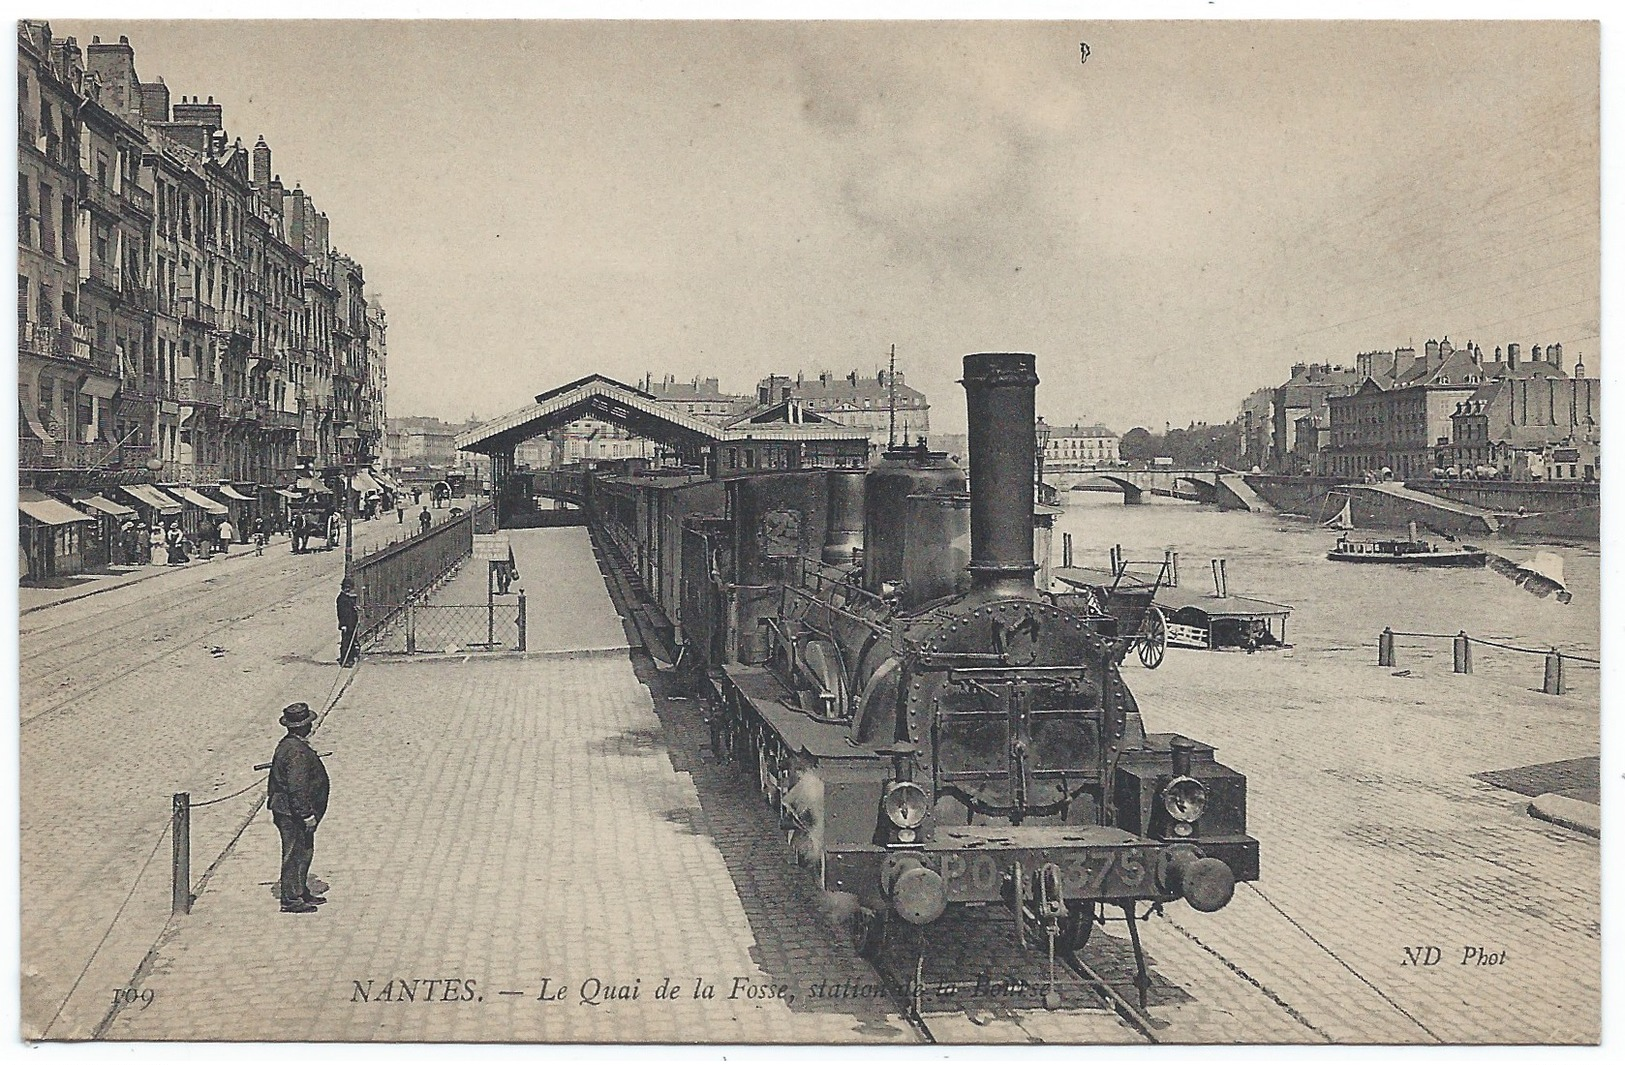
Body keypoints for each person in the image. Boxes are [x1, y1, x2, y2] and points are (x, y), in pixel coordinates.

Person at [267, 702, 330, 914]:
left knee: (304, 851)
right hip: (291, 812)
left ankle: (301, 890)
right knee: (294, 854)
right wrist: (306, 815)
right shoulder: (296, 752)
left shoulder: (292, 744)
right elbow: (297, 787)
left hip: (290, 809)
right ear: (305, 727)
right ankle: (291, 900)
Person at [337, 577, 360, 667]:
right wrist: (342, 625)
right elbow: (341, 613)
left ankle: (351, 657)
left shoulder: (347, 598)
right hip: (346, 624)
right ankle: (344, 660)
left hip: (351, 623)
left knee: (351, 640)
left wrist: (355, 608)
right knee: (346, 642)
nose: (348, 589)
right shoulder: (341, 599)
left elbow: (351, 608)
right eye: (346, 587)